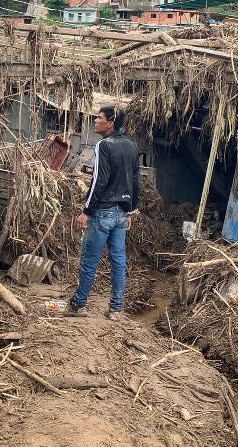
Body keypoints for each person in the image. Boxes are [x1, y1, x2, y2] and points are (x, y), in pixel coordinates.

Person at [67, 106, 140, 321]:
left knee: (90, 260)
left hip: (103, 213)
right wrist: (130, 211)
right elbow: (135, 181)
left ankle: (78, 305)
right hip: (121, 214)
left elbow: (99, 181)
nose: (95, 121)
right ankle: (116, 309)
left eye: (99, 118)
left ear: (110, 122)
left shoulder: (104, 146)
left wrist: (86, 212)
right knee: (118, 261)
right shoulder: (131, 146)